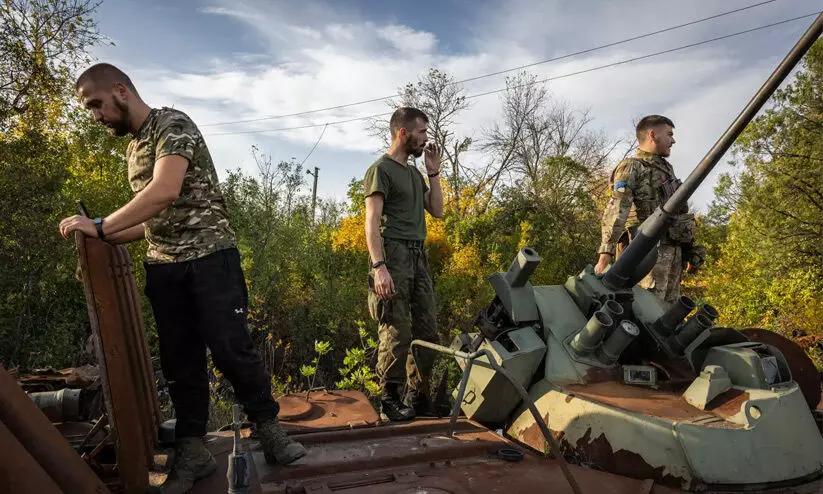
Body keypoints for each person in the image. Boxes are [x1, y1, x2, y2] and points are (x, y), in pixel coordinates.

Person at [58, 63, 306, 494]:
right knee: (180, 362)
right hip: (165, 266)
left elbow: (165, 190)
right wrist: (105, 234)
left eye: (95, 104)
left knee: (231, 349)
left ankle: (269, 429)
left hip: (211, 258)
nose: (94, 115)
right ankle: (192, 452)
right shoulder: (133, 149)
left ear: (120, 91)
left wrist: (99, 225)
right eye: (89, 109)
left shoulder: (171, 124)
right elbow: (152, 221)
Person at [363, 107, 444, 422]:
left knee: (428, 329)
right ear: (403, 133)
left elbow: (436, 210)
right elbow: (371, 222)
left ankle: (419, 397)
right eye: (422, 132)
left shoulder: (414, 173)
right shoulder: (380, 169)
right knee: (397, 329)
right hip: (392, 254)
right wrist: (379, 266)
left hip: (418, 255)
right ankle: (390, 398)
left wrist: (433, 172)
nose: (426, 138)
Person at [594, 114, 702, 304]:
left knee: (667, 314)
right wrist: (606, 251)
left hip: (672, 256)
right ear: (653, 134)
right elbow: (618, 208)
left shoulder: (667, 170)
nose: (673, 140)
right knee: (645, 308)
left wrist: (690, 251)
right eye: (669, 134)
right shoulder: (632, 167)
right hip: (646, 256)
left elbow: (680, 215)